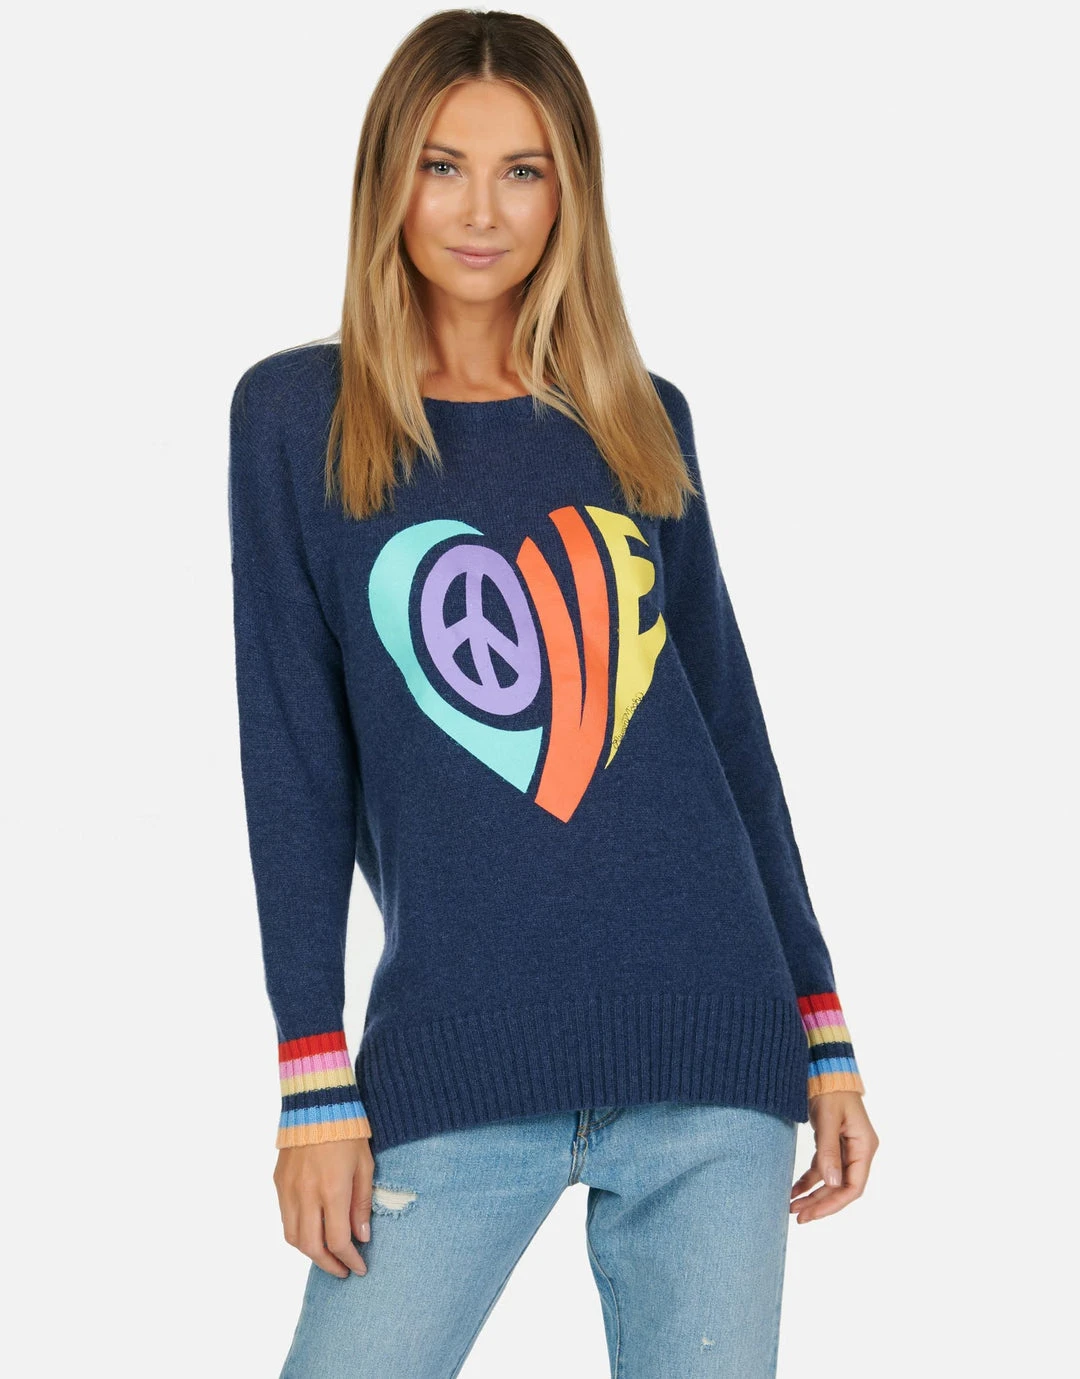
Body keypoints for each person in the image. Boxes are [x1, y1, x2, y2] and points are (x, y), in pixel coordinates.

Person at [228, 10, 879, 1377]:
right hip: (458, 1054)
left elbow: (730, 740)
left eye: (523, 171)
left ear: (571, 190)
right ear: (387, 179)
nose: (482, 210)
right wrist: (311, 1079)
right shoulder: (298, 418)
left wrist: (822, 1029)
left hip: (710, 1045)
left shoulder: (641, 418)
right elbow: (293, 766)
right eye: (443, 165)